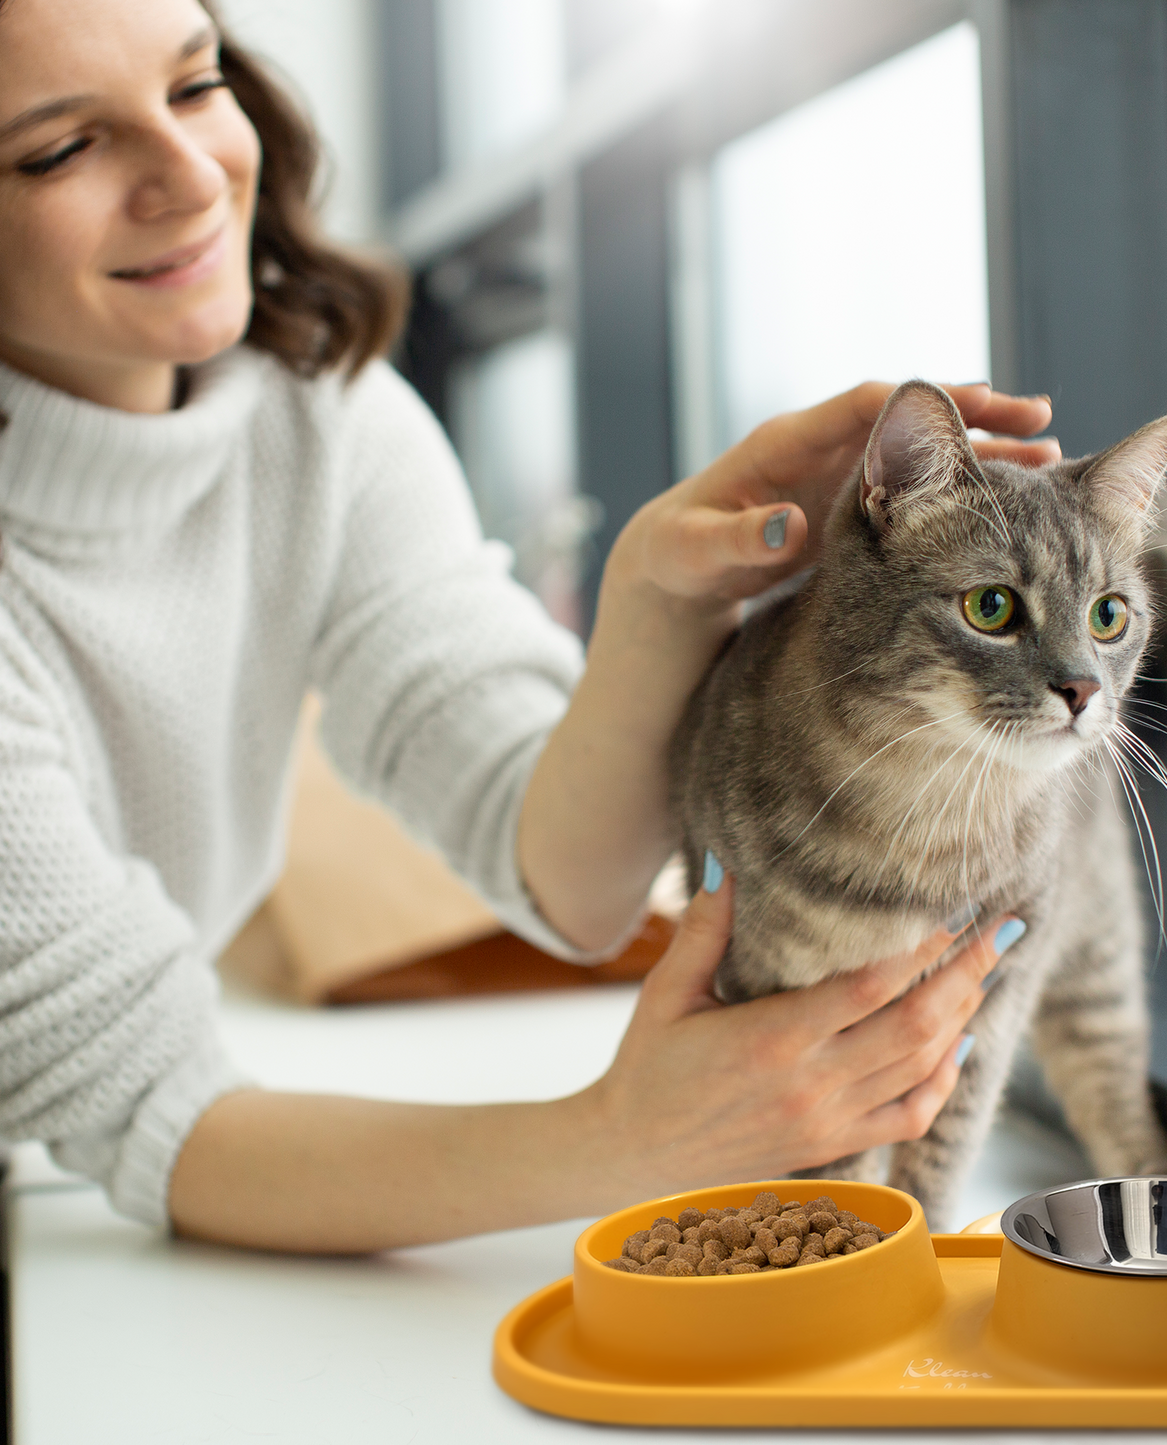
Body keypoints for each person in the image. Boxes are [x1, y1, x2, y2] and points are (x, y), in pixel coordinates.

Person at [0, 0, 1059, 1253]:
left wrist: (657, 603)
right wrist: (625, 1137)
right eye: (60, 150)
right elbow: (154, 1113)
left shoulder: (318, 418)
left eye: (194, 85)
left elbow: (564, 876)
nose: (189, 178)